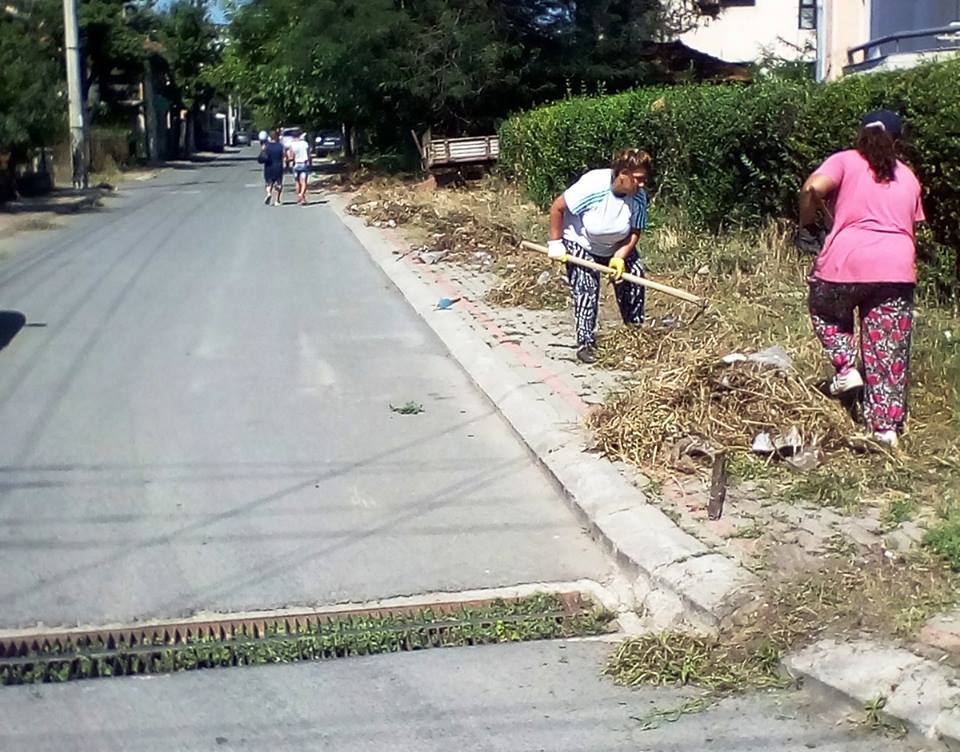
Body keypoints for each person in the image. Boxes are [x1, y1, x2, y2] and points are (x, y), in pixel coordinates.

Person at [799, 110, 925, 448]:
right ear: (897, 141)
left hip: (846, 262)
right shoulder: (909, 177)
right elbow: (911, 224)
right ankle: (885, 429)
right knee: (887, 347)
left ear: (861, 135)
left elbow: (812, 188)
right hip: (896, 268)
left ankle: (845, 368)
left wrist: (809, 224)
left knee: (825, 310)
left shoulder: (844, 161)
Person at [547, 148, 650, 364]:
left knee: (636, 275)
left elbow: (635, 230)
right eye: (638, 179)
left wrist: (620, 256)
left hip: (616, 245)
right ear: (623, 173)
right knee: (586, 287)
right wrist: (555, 244)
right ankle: (585, 342)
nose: (642, 184)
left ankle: (635, 334)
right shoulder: (594, 185)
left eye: (644, 179)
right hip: (582, 243)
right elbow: (557, 208)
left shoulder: (638, 197)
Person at [261, 130, 285, 206]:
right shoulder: (280, 146)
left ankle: (269, 193)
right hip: (278, 166)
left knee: (269, 182)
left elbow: (262, 155)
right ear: (277, 137)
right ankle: (277, 200)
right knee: (279, 183)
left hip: (268, 166)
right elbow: (284, 156)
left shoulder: (266, 145)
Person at [288, 132, 311, 206]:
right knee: (304, 182)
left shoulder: (292, 145)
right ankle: (302, 195)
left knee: (297, 182)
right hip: (304, 164)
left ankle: (300, 197)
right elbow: (308, 154)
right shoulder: (305, 144)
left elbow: (291, 157)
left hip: (296, 165)